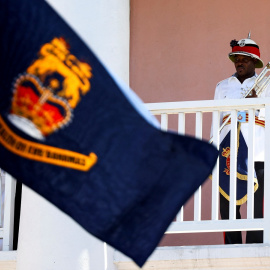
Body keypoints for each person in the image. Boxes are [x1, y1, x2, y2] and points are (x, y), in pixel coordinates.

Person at [213, 34, 270, 244]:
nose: (240, 62)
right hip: (229, 153)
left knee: (257, 204)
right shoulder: (222, 87)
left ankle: (255, 245)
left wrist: (255, 104)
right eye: (237, 58)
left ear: (254, 62)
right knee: (227, 203)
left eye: (245, 58)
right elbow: (216, 120)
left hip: (258, 151)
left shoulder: (267, 84)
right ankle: (232, 246)